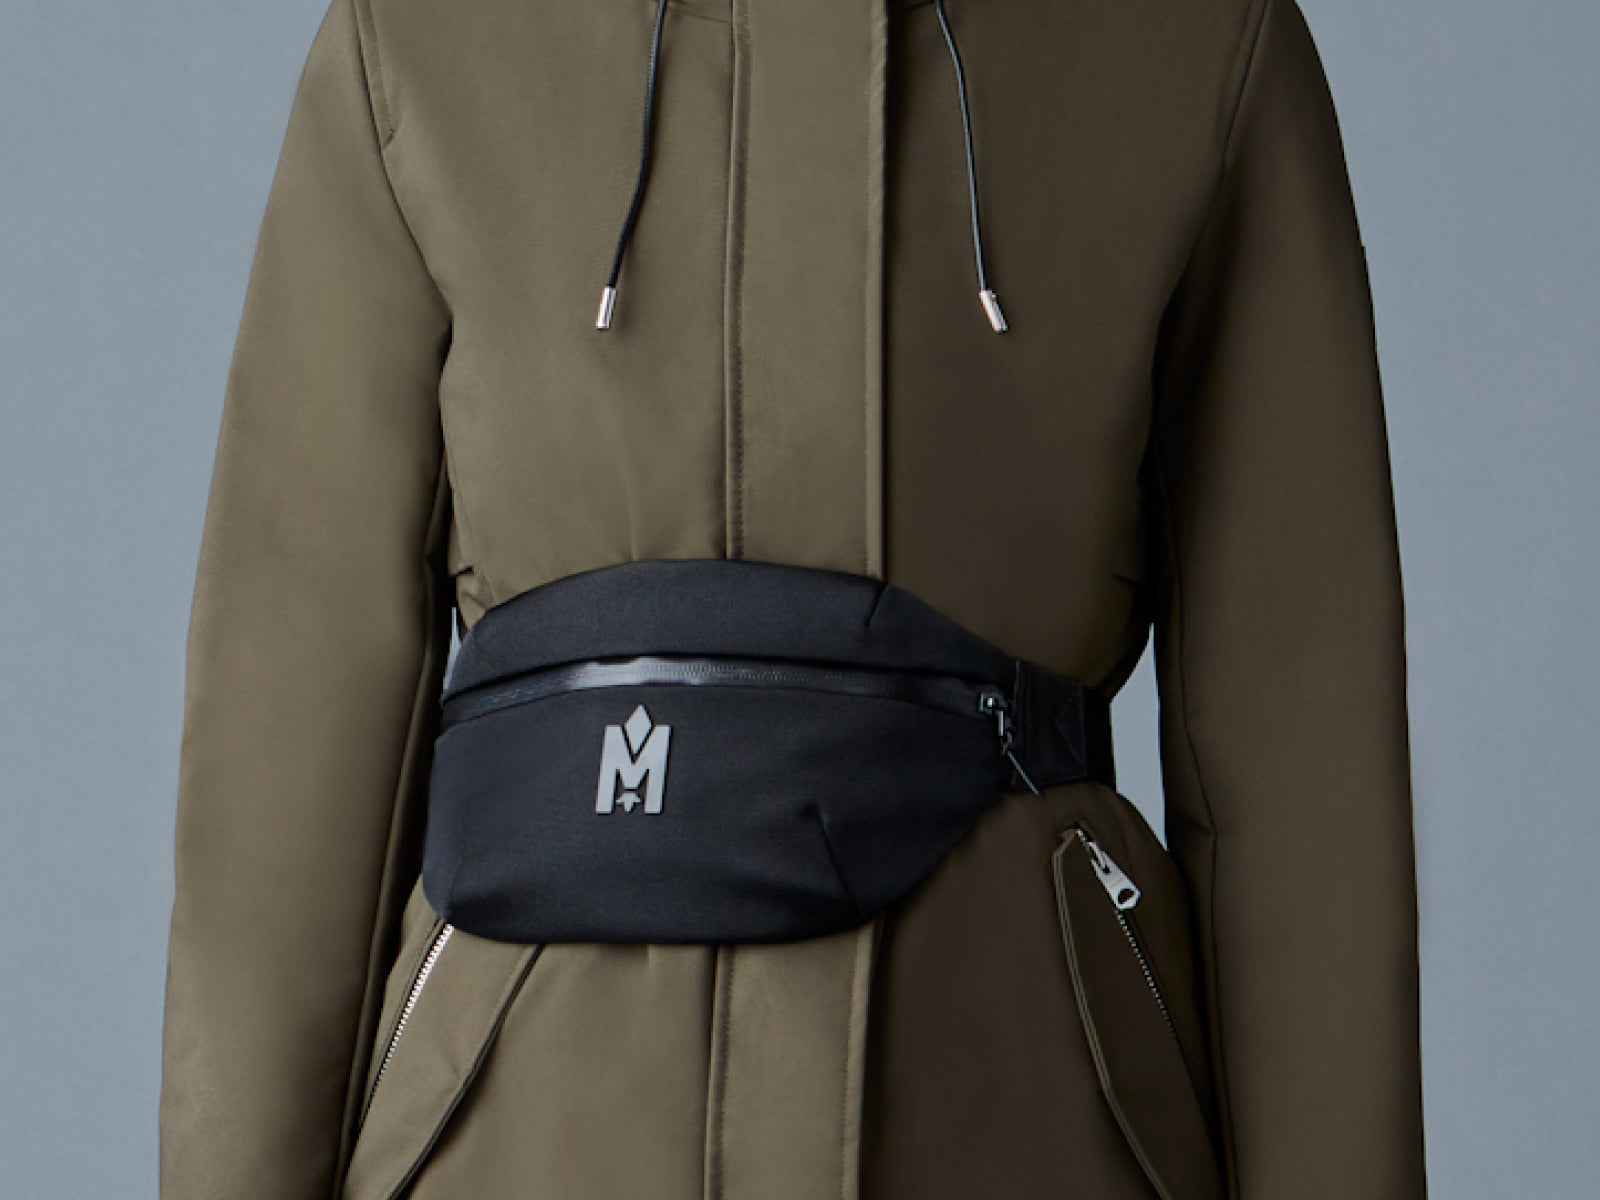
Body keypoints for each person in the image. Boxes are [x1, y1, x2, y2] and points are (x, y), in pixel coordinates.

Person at [158, 0, 1428, 1195]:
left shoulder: (1194, 41)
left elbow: (1298, 763)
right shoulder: (420, 36)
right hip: (526, 1137)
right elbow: (292, 736)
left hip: (1018, 1116)